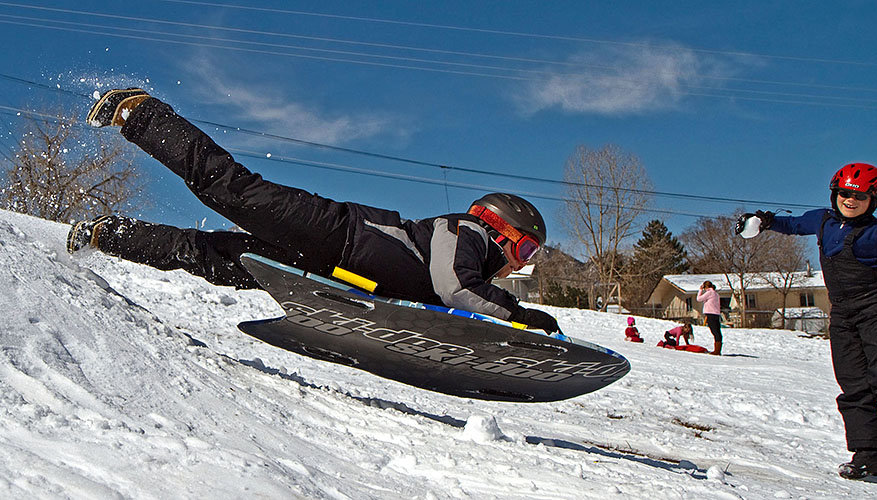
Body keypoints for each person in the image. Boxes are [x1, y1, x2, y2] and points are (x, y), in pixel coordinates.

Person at [68, 88, 560, 334]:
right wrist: (520, 317)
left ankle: (107, 234)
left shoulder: (475, 262)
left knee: (212, 257)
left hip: (324, 269)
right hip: (334, 233)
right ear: (500, 225)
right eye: (526, 247)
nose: (522, 261)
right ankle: (141, 113)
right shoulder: (463, 232)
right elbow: (454, 288)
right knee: (231, 191)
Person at [735, 162, 877, 480]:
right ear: (835, 193)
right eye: (844, 194)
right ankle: (870, 454)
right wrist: (766, 222)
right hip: (842, 313)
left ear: (874, 199)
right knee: (853, 384)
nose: (850, 201)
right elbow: (793, 225)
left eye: (859, 196)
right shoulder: (822, 220)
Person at [697, 280, 723, 355]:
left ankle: (717, 351)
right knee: (717, 331)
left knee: (714, 331)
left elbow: (699, 299)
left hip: (710, 313)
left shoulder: (709, 293)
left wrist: (700, 290)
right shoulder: (716, 294)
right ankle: (718, 349)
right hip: (716, 313)